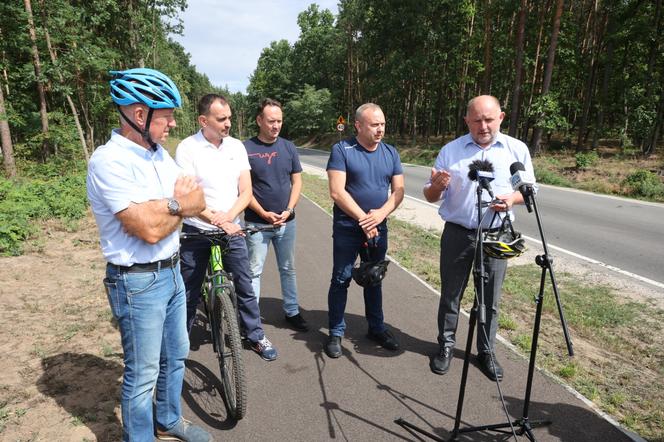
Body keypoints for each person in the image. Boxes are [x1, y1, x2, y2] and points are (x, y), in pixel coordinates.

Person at [87, 68, 213, 442]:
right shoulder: (108, 161)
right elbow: (147, 228)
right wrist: (179, 204)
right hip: (137, 281)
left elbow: (199, 200)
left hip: (173, 272)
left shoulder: (160, 155)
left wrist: (167, 207)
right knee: (142, 375)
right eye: (167, 115)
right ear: (139, 115)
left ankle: (168, 420)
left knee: (175, 356)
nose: (174, 123)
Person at [423, 95, 535, 381]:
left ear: (501, 117)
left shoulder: (516, 149)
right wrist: (436, 187)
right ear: (467, 121)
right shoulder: (451, 150)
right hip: (458, 234)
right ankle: (446, 346)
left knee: (490, 299)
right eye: (477, 120)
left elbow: (529, 190)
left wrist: (512, 199)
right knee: (450, 295)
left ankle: (485, 351)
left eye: (489, 119)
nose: (483, 126)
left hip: (497, 236)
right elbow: (431, 195)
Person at [176, 93, 278, 361]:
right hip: (198, 228)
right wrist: (217, 220)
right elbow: (187, 197)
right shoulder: (188, 148)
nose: (228, 123)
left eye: (229, 118)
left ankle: (254, 335)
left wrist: (229, 218)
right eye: (221, 119)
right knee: (189, 290)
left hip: (231, 227)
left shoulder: (236, 147)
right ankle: (179, 345)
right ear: (203, 120)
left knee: (244, 284)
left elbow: (245, 191)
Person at [324, 103, 405, 358]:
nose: (380, 129)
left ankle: (376, 328)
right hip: (349, 226)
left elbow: (398, 191)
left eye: (382, 124)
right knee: (341, 278)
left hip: (378, 227)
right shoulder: (342, 150)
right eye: (374, 125)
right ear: (358, 125)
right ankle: (336, 331)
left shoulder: (390, 153)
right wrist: (364, 219)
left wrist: (380, 215)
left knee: (374, 277)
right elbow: (337, 191)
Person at [243, 98, 308, 332]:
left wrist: (289, 210)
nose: (276, 125)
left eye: (279, 121)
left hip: (286, 223)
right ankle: (251, 317)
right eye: (271, 121)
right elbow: (244, 190)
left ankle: (292, 311)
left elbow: (297, 181)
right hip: (257, 224)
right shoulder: (246, 149)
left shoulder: (289, 147)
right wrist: (263, 212)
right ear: (259, 120)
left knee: (288, 268)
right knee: (253, 271)